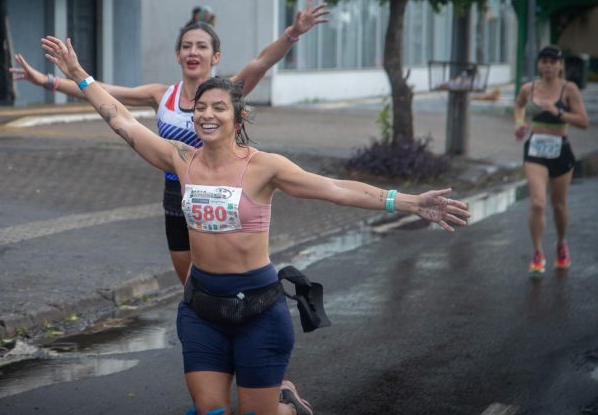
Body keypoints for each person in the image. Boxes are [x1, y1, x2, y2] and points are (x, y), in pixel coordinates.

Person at [39, 35, 471, 415]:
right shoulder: (180, 161)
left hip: (259, 311)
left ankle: (284, 404)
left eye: (219, 108)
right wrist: (78, 73)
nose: (207, 114)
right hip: (201, 308)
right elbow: (121, 119)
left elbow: (336, 189)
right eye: (201, 108)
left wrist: (410, 201)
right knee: (209, 411)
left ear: (237, 119)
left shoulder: (265, 167)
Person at [12, 0, 329, 284]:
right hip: (175, 195)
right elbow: (104, 93)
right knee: (190, 283)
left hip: (219, 192)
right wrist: (47, 80)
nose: (193, 52)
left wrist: (293, 34)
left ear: (215, 55)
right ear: (178, 55)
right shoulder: (160, 95)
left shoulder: (227, 94)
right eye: (187, 46)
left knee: (218, 275)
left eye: (202, 46)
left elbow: (261, 62)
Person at [513, 45, 589, 274]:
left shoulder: (569, 89)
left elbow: (584, 122)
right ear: (538, 64)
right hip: (535, 149)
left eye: (552, 62)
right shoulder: (529, 87)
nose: (547, 66)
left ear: (560, 65)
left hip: (560, 150)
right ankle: (537, 252)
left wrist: (559, 113)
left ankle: (561, 243)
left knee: (559, 205)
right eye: (543, 61)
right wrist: (519, 125)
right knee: (537, 202)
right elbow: (518, 105)